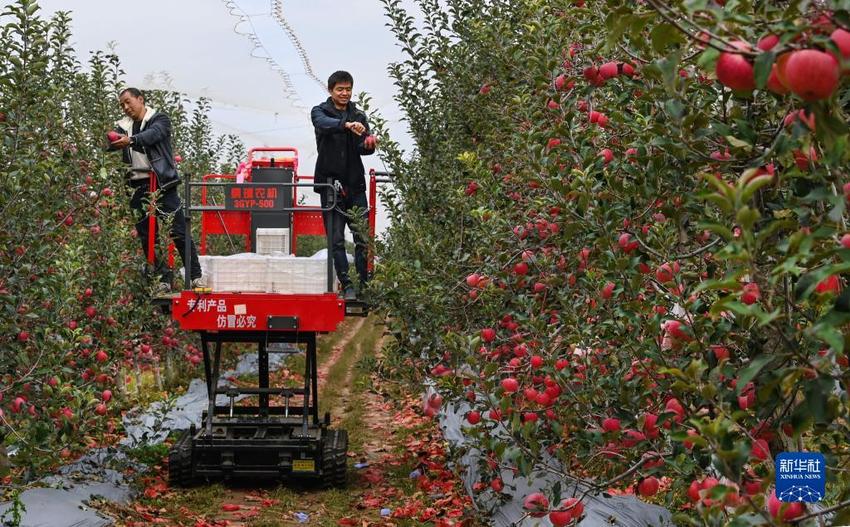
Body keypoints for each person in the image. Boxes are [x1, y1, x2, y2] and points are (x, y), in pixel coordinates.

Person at [107, 87, 203, 291]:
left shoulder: (159, 120)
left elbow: (153, 135)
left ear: (140, 99)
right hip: (137, 187)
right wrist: (111, 141)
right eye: (121, 105)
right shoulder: (123, 127)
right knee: (147, 236)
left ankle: (195, 276)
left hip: (162, 184)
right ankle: (163, 280)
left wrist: (131, 141)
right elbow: (110, 143)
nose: (125, 107)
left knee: (178, 230)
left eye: (128, 102)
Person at [311, 71, 376, 300]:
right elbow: (323, 125)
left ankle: (365, 286)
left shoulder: (359, 114)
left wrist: (368, 143)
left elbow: (362, 147)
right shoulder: (320, 111)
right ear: (331, 90)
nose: (345, 93)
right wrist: (346, 125)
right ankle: (346, 284)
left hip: (355, 185)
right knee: (336, 239)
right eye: (340, 89)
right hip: (330, 185)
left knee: (362, 237)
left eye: (348, 89)